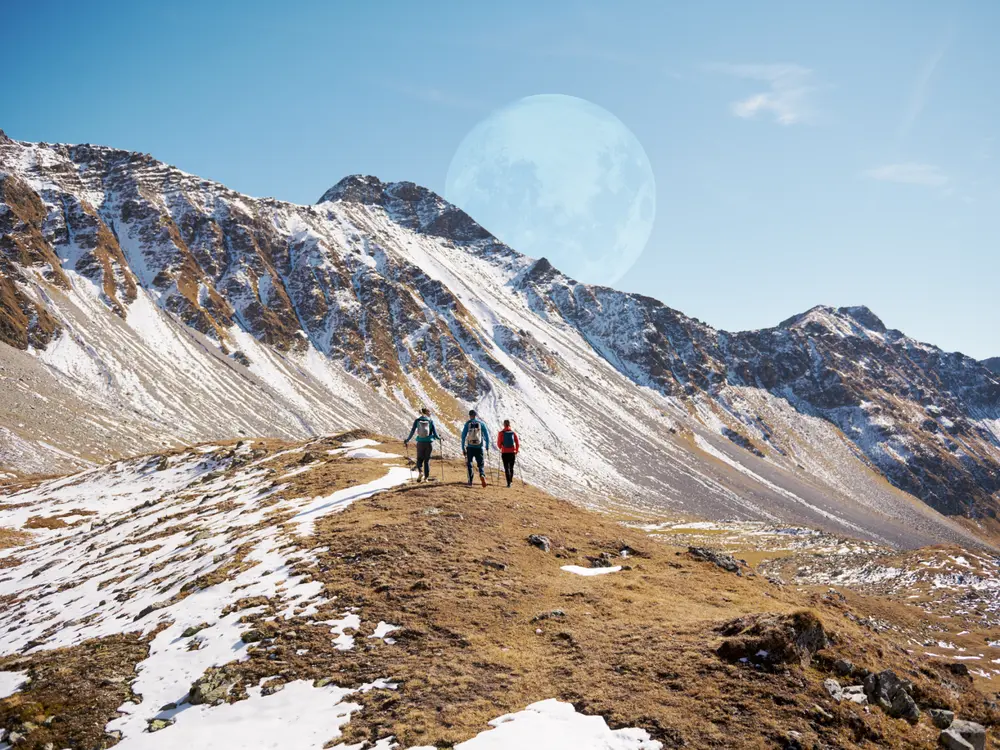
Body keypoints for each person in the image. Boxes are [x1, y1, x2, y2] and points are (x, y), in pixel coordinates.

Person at [403, 407, 439, 482]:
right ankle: (426, 478)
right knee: (427, 460)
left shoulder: (417, 420)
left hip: (420, 443)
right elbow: (435, 434)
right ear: (426, 412)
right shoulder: (430, 421)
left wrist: (407, 440)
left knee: (419, 459)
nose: (430, 413)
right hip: (429, 443)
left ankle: (420, 472)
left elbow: (412, 431)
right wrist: (439, 439)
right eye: (429, 412)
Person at [461, 409, 491, 487]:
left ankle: (470, 481)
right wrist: (487, 446)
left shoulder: (468, 424)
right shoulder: (481, 424)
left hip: (470, 447)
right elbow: (487, 436)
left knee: (469, 463)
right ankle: (482, 475)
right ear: (476, 415)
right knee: (480, 464)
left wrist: (463, 448)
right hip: (479, 447)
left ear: (470, 416)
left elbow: (463, 436)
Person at [496, 419, 520, 487]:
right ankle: (511, 481)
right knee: (511, 467)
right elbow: (517, 442)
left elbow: (498, 443)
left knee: (507, 468)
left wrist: (501, 447)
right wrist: (516, 450)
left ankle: (508, 483)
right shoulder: (513, 433)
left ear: (504, 424)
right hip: (512, 452)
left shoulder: (501, 433)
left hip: (504, 452)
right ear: (509, 424)